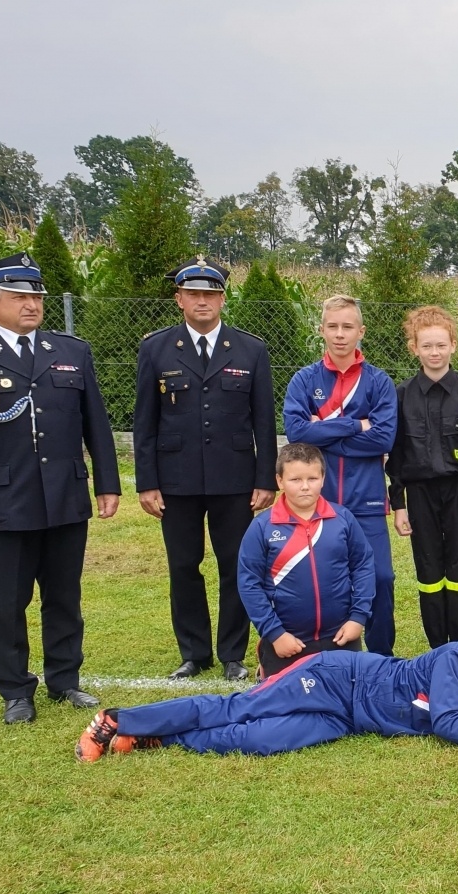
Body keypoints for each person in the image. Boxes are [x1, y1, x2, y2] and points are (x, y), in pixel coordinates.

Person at [0, 253, 120, 724]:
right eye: (20, 296)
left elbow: (95, 423)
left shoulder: (71, 352)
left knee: (64, 596)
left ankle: (65, 678)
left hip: (64, 496)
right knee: (7, 602)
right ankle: (15, 689)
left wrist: (107, 483)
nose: (31, 304)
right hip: (3, 500)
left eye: (36, 296)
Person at [75, 616, 458, 760]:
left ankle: (159, 737)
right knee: (239, 709)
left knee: (259, 740)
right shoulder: (457, 656)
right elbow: (444, 722)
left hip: (348, 719)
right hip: (340, 676)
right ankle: (116, 720)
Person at [133, 257, 276, 681]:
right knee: (183, 565)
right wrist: (147, 482)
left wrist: (265, 478)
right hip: (176, 480)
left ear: (222, 299)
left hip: (234, 478)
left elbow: (264, 421)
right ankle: (194, 653)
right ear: (179, 299)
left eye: (210, 294)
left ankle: (232, 653)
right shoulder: (156, 348)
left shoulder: (251, 349)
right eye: (193, 293)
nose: (202, 301)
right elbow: (145, 421)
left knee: (236, 565)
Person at [283, 295, 398, 655]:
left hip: (367, 500)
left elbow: (384, 437)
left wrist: (326, 430)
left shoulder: (378, 382)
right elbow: (296, 432)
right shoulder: (305, 379)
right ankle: (327, 654)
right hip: (319, 501)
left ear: (360, 331)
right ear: (321, 330)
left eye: (348, 326)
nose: (340, 334)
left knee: (381, 578)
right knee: (323, 581)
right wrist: (355, 425)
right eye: (332, 326)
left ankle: (381, 658)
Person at [387, 306, 458, 649]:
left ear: (453, 345)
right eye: (426, 345)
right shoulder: (400, 395)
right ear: (414, 347)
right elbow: (396, 453)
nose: (434, 352)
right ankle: (436, 649)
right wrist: (398, 503)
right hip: (419, 494)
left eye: (441, 345)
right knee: (429, 574)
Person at [237, 443, 373, 677]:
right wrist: (275, 633)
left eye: (312, 478)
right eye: (295, 480)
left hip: (341, 636)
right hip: (287, 642)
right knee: (285, 710)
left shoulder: (342, 519)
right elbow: (249, 584)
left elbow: (363, 567)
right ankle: (266, 664)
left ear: (322, 478)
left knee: (345, 707)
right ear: (279, 481)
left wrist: (358, 618)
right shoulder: (262, 527)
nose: (305, 487)